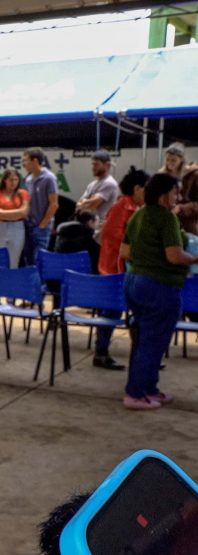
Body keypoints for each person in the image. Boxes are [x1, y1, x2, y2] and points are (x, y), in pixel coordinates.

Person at [120, 173, 198, 410]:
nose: (179, 195)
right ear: (164, 196)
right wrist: (195, 257)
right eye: (175, 191)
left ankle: (149, 389)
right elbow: (174, 256)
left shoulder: (138, 215)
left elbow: (125, 253)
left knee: (146, 339)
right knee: (153, 343)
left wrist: (148, 257)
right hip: (159, 286)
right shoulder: (166, 218)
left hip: (134, 282)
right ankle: (134, 394)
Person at [93, 167, 148, 371]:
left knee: (135, 313)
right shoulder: (121, 207)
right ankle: (101, 353)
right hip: (116, 270)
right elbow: (113, 238)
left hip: (124, 269)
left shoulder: (133, 208)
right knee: (111, 312)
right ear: (137, 188)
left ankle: (142, 356)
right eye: (146, 189)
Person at [22, 147, 60, 265]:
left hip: (41, 228)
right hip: (28, 226)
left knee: (39, 260)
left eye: (26, 160)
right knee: (28, 260)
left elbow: (54, 204)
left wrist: (43, 225)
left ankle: (40, 284)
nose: (24, 164)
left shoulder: (49, 178)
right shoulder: (28, 180)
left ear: (35, 161)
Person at [0, 168, 29, 268]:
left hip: (17, 226)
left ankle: (11, 281)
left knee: (13, 260)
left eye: (16, 179)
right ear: (5, 180)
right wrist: (16, 213)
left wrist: (3, 212)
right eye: (10, 179)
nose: (13, 182)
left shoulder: (23, 193)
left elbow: (23, 212)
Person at [75, 150, 119, 224]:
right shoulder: (91, 184)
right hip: (90, 225)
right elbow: (78, 203)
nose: (93, 167)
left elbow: (92, 205)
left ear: (107, 165)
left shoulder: (109, 183)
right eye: (93, 164)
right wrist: (84, 203)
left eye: (97, 164)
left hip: (102, 226)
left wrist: (85, 202)